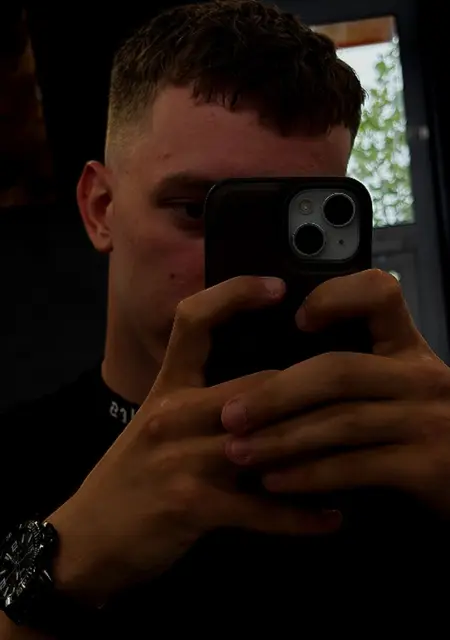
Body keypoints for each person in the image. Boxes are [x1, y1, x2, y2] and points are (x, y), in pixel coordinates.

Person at [1, 0, 450, 637]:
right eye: (196, 210)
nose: (245, 270)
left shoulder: (409, 457)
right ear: (101, 208)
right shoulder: (10, 458)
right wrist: (65, 567)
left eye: (296, 221)